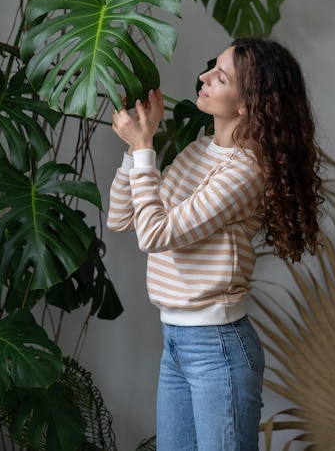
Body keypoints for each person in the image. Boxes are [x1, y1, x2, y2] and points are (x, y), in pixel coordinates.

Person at [107, 37, 323, 451]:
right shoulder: (197, 151)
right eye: (212, 69)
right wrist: (134, 151)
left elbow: (154, 235)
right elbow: (121, 220)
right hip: (176, 341)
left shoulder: (245, 172)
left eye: (220, 77)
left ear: (247, 104)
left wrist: (144, 148)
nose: (203, 78)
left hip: (217, 348)